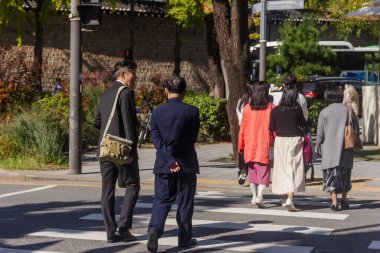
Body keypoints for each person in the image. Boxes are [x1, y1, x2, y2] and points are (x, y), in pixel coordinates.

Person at [147, 75, 200, 253]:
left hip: (163, 164)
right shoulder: (192, 111)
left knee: (161, 200)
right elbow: (191, 138)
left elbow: (155, 138)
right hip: (186, 164)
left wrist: (169, 160)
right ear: (184, 92)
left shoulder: (157, 112)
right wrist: (177, 159)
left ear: (165, 91)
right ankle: (184, 238)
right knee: (185, 202)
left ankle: (155, 230)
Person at [93, 60, 140, 243]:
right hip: (121, 150)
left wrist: (110, 131)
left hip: (104, 148)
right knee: (133, 185)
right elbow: (129, 125)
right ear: (123, 74)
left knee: (107, 190)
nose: (135, 77)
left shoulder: (105, 94)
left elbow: (97, 122)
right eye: (133, 73)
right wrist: (130, 152)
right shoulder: (126, 93)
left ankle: (110, 233)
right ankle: (123, 228)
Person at [317, 85, 358, 211]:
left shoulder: (324, 112)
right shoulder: (349, 110)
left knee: (331, 177)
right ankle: (344, 199)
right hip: (346, 149)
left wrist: (318, 147)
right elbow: (356, 128)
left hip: (330, 151)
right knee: (345, 175)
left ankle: (334, 202)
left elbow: (320, 134)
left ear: (327, 96)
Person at [270, 82, 307, 211]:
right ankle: (290, 198)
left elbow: (271, 127)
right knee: (294, 168)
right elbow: (304, 124)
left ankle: (284, 197)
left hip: (280, 140)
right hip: (295, 140)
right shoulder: (297, 109)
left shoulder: (275, 110)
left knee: (282, 168)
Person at [238, 81, 275, 208]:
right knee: (264, 172)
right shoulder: (271, 107)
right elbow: (274, 129)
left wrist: (240, 145)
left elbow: (242, 128)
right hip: (265, 143)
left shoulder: (247, 108)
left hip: (250, 144)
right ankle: (260, 195)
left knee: (252, 171)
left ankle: (254, 196)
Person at [236, 84, 250, 185]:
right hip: (251, 129)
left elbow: (238, 114)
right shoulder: (252, 103)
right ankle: (246, 169)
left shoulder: (240, 102)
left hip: (242, 129)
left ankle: (242, 170)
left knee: (242, 151)